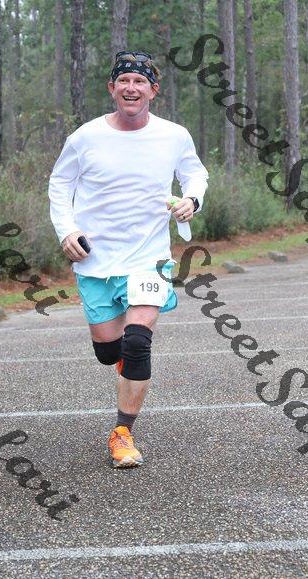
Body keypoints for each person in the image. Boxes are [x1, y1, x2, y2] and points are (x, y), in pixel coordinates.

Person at [48, 51, 209, 468]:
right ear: (112, 88)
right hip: (96, 260)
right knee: (109, 351)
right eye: (124, 81)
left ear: (153, 90)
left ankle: (122, 433)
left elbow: (195, 174)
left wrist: (192, 199)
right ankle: (123, 362)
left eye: (139, 82)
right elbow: (60, 184)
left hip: (148, 258)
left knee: (137, 342)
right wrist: (66, 230)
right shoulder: (85, 137)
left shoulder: (174, 135)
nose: (131, 88)